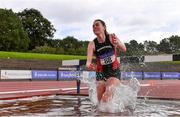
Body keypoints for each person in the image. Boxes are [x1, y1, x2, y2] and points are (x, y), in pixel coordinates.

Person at [86, 19, 126, 103]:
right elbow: (88, 63)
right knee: (100, 102)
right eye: (93, 26)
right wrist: (89, 66)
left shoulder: (111, 37)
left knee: (107, 95)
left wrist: (117, 43)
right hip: (100, 73)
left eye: (97, 25)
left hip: (114, 71)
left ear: (104, 27)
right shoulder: (92, 44)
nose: (94, 27)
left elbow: (124, 48)